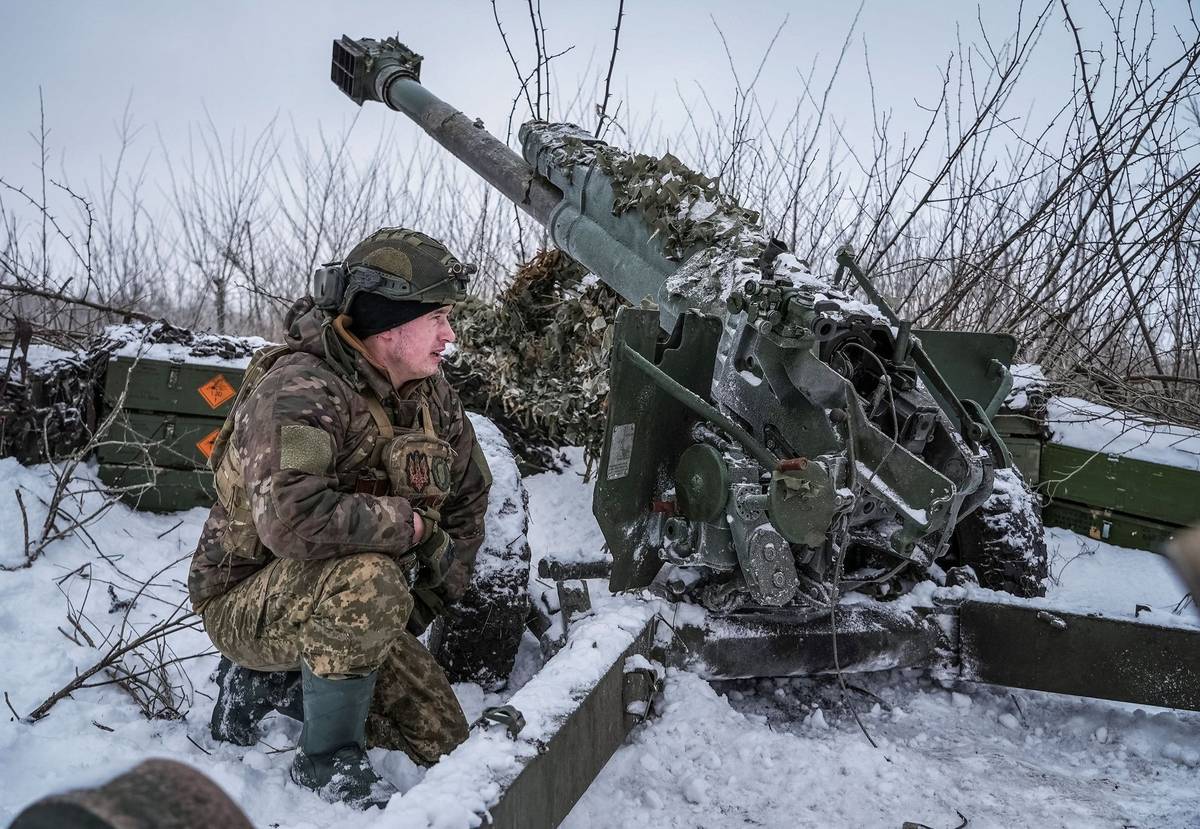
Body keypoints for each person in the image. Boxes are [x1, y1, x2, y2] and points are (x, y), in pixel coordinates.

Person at [186, 227, 492, 809]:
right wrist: (412, 529)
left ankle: (288, 681)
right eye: (438, 318)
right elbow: (293, 520)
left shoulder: (432, 395)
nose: (449, 335)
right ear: (387, 322)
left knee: (443, 742)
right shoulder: (300, 391)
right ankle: (325, 759)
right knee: (370, 577)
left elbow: (468, 499)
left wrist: (416, 606)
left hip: (354, 602)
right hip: (245, 600)